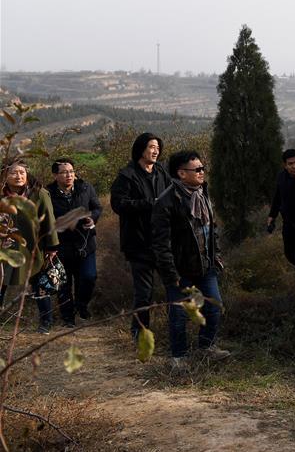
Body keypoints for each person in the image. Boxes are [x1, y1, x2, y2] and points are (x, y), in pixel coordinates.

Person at [151, 150, 228, 368]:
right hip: (179, 269)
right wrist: (170, 273)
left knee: (214, 307)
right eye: (198, 169)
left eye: (203, 168)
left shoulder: (203, 193)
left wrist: (217, 255)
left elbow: (211, 229)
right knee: (179, 313)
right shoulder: (166, 201)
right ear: (181, 174)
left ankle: (206, 348)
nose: (202, 173)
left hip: (205, 265)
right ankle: (179, 357)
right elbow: (161, 243)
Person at [110, 132, 171, 339]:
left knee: (174, 286)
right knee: (144, 294)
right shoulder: (126, 175)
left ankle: (175, 330)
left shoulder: (162, 171)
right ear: (140, 149)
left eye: (157, 147)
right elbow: (118, 204)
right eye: (151, 147)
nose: (155, 151)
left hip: (162, 242)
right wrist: (148, 204)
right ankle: (139, 333)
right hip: (138, 243)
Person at [0, 159, 59, 334]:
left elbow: (50, 220)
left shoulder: (39, 194)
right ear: (4, 175)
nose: (18, 176)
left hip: (33, 246)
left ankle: (46, 322)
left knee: (39, 283)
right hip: (6, 246)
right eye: (13, 173)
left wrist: (52, 246)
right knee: (1, 282)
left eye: (22, 172)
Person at [46, 158, 102, 327]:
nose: (69, 175)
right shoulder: (48, 193)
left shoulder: (85, 188)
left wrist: (92, 219)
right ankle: (68, 318)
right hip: (60, 245)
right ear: (55, 175)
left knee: (88, 276)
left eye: (71, 171)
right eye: (64, 172)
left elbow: (97, 207)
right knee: (63, 283)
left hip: (85, 243)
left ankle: (82, 305)